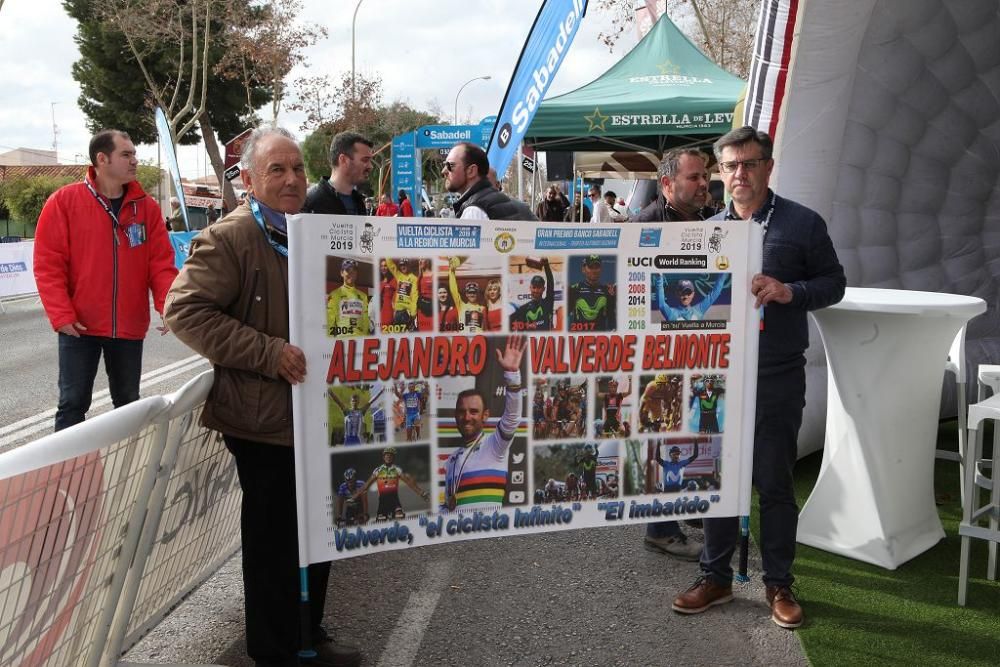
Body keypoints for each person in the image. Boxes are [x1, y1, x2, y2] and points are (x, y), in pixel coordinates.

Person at [164, 127, 362, 666]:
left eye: (298, 167)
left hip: (319, 414)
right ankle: (273, 652)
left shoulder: (315, 232)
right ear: (249, 180)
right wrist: (267, 352)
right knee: (273, 545)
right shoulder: (230, 238)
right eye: (277, 170)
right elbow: (183, 311)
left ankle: (308, 634)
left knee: (319, 532)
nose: (292, 178)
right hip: (262, 421)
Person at [671, 126, 846, 630]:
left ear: (768, 167)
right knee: (717, 480)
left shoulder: (802, 223)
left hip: (777, 374)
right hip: (717, 378)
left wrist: (790, 291)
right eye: (729, 166)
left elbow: (834, 283)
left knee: (773, 482)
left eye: (748, 164)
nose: (739, 174)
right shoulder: (707, 230)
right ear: (719, 174)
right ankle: (716, 576)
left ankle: (778, 583)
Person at [34, 129, 177, 431]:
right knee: (72, 404)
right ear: (102, 159)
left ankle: (126, 473)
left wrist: (168, 305)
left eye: (134, 154)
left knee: (127, 403)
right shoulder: (64, 202)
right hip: (79, 328)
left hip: (127, 326)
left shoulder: (147, 207)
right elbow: (48, 265)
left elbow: (161, 264)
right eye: (126, 154)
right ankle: (67, 474)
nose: (135, 160)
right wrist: (61, 315)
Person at [443, 337, 526, 513]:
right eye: (461, 412)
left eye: (473, 411)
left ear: (485, 415)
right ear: (455, 415)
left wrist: (512, 375)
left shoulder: (494, 445)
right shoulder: (451, 460)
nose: (467, 417)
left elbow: (512, 418)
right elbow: (448, 506)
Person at [443, 142, 537, 220]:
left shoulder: (474, 210)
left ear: (471, 171)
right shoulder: (522, 207)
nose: (443, 171)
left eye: (450, 165)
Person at [635, 148, 716, 222]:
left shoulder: (716, 218)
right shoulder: (643, 225)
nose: (704, 183)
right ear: (667, 183)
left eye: (704, 177)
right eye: (694, 177)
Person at [303, 131, 372, 215]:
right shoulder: (309, 202)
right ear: (343, 160)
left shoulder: (359, 202)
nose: (370, 166)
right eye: (365, 160)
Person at [354, 447, 431, 521]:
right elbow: (366, 485)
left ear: (393, 458)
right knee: (381, 522)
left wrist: (421, 493)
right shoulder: (377, 470)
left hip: (394, 501)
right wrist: (354, 497)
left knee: (400, 517)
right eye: (386, 455)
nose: (388, 457)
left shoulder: (397, 470)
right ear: (383, 457)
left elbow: (409, 483)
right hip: (383, 502)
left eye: (390, 456)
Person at [568, 254, 616, 332]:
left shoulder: (608, 291)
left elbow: (612, 320)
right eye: (590, 267)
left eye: (597, 267)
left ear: (601, 269)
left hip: (599, 340)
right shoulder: (574, 289)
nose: (594, 271)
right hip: (579, 340)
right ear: (583, 269)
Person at [326, 259, 370, 337]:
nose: (350, 273)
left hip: (360, 340)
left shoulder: (363, 296)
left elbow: (366, 322)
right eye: (347, 270)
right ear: (342, 273)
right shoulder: (335, 294)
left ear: (356, 274)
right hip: (342, 340)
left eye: (353, 271)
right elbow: (330, 322)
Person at [510, 257, 555, 331]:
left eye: (539, 287)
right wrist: (526, 326)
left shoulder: (548, 303)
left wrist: (546, 265)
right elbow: (516, 328)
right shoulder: (523, 309)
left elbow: (550, 283)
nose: (536, 290)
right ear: (530, 288)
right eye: (534, 287)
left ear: (543, 289)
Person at [656, 276, 728, 323]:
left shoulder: (699, 309)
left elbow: (715, 293)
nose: (686, 296)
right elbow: (661, 305)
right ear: (677, 294)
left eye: (688, 293)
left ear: (693, 294)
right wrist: (659, 279)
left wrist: (724, 272)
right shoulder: (671, 313)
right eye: (683, 293)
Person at [447, 257, 486, 333]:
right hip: (464, 342)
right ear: (466, 294)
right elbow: (453, 290)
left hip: (479, 342)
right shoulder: (461, 306)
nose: (472, 294)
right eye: (470, 292)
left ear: (477, 294)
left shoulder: (483, 308)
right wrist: (451, 271)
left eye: (474, 292)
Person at [382, 257, 419, 332]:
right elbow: (391, 265)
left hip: (407, 312)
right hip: (398, 312)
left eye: (405, 265)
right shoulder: (399, 275)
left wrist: (413, 313)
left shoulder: (414, 279)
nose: (403, 267)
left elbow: (415, 296)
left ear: (409, 265)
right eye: (401, 265)